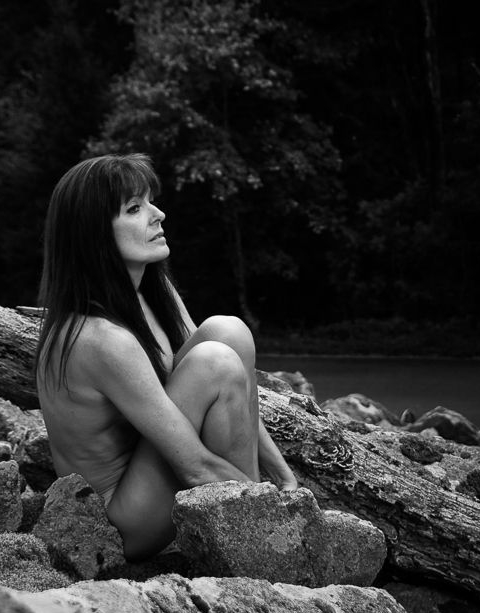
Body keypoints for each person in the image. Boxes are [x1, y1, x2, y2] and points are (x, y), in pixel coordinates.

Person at [34, 153, 297, 560]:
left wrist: (285, 480)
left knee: (228, 332)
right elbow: (194, 466)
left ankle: (252, 507)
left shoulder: (152, 293)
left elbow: (234, 392)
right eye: (134, 208)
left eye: (150, 202)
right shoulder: (100, 339)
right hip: (118, 522)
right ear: (94, 233)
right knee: (215, 361)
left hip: (156, 473)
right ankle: (256, 534)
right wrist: (270, 509)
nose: (158, 214)